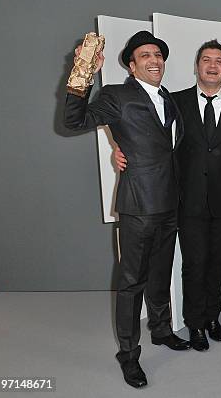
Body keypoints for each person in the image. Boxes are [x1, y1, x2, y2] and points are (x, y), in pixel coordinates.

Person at [64, 31, 190, 389]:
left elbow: (168, 147)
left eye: (158, 54)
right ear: (132, 65)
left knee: (162, 274)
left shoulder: (168, 98)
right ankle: (129, 355)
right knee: (132, 283)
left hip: (169, 204)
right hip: (137, 206)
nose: (154, 59)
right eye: (145, 55)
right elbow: (74, 122)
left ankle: (162, 330)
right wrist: (83, 75)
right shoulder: (115, 95)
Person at [116, 40, 221, 352]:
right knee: (194, 264)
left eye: (219, 60)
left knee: (218, 263)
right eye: (206, 59)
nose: (213, 65)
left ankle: (212, 317)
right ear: (197, 66)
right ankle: (195, 323)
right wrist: (118, 149)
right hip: (184, 201)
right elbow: (142, 134)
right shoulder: (173, 102)